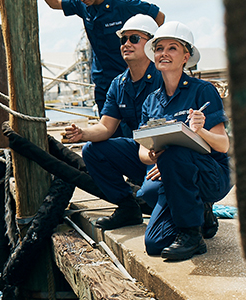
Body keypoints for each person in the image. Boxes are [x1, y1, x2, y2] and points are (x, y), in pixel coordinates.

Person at [137, 21, 232, 261]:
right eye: (159, 48)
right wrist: (153, 156)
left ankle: (192, 236)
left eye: (172, 48)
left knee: (175, 155)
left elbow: (223, 145)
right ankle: (201, 213)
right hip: (175, 170)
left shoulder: (203, 91)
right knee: (154, 243)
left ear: (185, 57)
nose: (164, 53)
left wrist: (201, 130)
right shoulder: (151, 101)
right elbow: (141, 150)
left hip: (212, 174)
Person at [63, 14, 163, 230]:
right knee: (92, 151)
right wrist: (83, 133)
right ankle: (128, 207)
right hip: (141, 154)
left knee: (153, 193)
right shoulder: (118, 84)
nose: (126, 44)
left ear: (151, 44)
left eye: (134, 38)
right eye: (123, 40)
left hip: (166, 153)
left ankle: (199, 208)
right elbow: (106, 127)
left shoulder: (164, 77)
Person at [43, 0, 164, 124]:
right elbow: (54, 3)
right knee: (109, 131)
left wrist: (148, 48)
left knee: (137, 127)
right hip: (103, 83)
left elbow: (159, 16)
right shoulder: (82, 5)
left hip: (129, 83)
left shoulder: (124, 4)